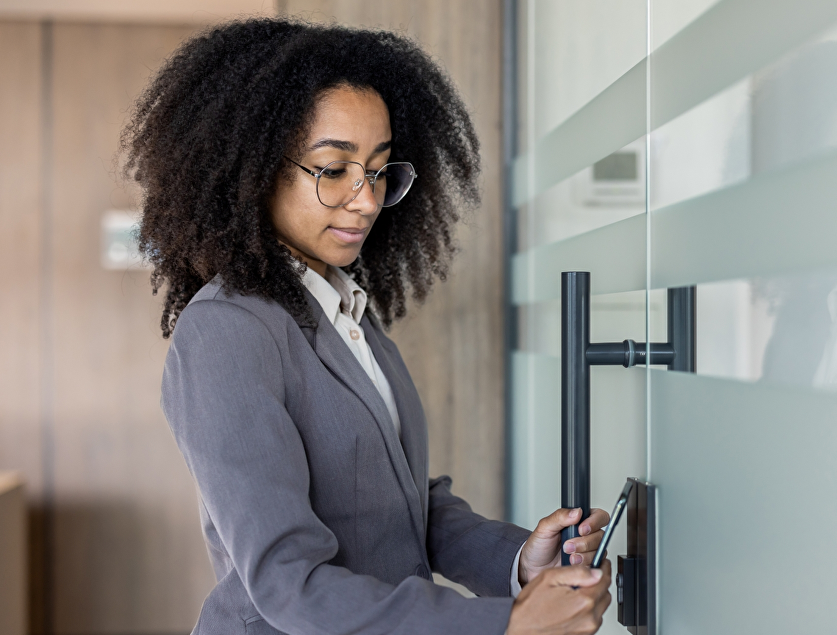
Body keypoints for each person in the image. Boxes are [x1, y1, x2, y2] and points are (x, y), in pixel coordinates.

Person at [123, 18, 612, 635]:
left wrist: (516, 559)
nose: (366, 199)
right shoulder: (228, 331)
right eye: (334, 170)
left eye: (378, 170)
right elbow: (288, 583)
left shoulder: (346, 309)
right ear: (251, 170)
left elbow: (402, 504)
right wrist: (503, 625)